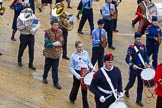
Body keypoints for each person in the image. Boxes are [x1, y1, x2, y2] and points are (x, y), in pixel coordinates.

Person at [124, 32, 151, 106]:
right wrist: (131, 65)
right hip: (134, 68)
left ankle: (139, 99)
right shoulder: (131, 47)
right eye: (138, 39)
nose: (139, 40)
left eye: (140, 39)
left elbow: (146, 56)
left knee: (140, 84)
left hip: (141, 68)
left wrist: (149, 62)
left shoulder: (143, 46)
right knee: (131, 82)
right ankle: (126, 89)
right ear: (135, 38)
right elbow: (127, 58)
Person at [69, 41, 94, 108]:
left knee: (84, 89)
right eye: (79, 47)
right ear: (76, 47)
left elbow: (88, 62)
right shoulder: (73, 56)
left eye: (81, 47)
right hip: (77, 72)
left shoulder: (86, 53)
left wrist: (92, 67)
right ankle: (72, 98)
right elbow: (71, 67)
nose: (81, 48)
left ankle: (85, 106)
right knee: (75, 87)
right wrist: (76, 75)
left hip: (85, 72)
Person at [42, 18, 64, 89]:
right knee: (47, 66)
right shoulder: (47, 32)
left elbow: (62, 40)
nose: (56, 27)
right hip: (49, 53)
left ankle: (56, 82)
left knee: (55, 68)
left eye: (57, 25)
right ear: (51, 25)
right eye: (55, 25)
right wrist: (53, 44)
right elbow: (46, 43)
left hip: (57, 53)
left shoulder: (60, 31)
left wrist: (60, 42)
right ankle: (44, 76)